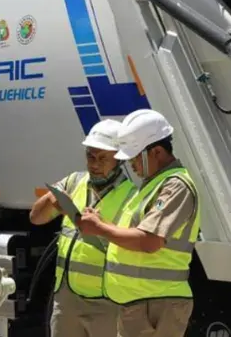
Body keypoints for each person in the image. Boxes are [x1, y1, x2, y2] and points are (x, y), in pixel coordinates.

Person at [77, 109, 198, 337]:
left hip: (157, 303)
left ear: (157, 152)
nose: (130, 164)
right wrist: (102, 223)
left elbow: (149, 241)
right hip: (142, 302)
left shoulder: (175, 185)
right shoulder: (152, 185)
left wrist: (99, 227)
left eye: (134, 157)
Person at [29, 119, 134, 337]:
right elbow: (36, 218)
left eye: (103, 158)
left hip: (107, 302)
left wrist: (101, 226)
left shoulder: (132, 196)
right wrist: (50, 201)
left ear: (119, 159)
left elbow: (133, 245)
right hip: (67, 298)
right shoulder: (73, 182)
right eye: (90, 156)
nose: (94, 164)